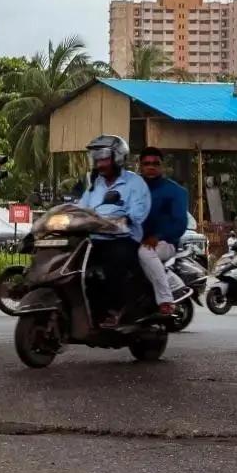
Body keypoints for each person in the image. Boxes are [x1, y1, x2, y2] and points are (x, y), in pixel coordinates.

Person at [78, 135, 152, 328]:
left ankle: (117, 310)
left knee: (112, 267)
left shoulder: (134, 183)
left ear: (118, 158)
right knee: (77, 267)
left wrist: (123, 219)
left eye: (104, 158)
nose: (100, 163)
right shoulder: (95, 186)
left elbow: (138, 212)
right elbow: (81, 208)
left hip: (123, 238)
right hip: (95, 238)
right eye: (97, 158)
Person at [137, 147, 188, 315]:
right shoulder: (133, 189)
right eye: (146, 164)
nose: (151, 167)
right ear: (140, 166)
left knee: (145, 252)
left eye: (155, 164)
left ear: (162, 166)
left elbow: (180, 224)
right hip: (134, 239)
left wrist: (158, 237)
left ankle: (166, 300)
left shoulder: (175, 191)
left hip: (165, 243)